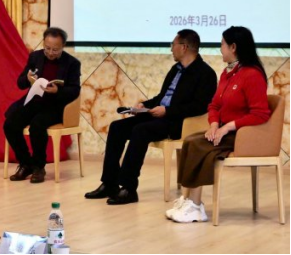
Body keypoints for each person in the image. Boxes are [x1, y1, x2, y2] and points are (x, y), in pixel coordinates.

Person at [85, 29, 218, 205]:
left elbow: (199, 106)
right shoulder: (175, 69)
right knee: (117, 127)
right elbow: (162, 97)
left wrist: (167, 111)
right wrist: (144, 106)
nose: (171, 49)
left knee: (141, 130)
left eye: (173, 45)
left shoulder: (205, 74)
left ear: (184, 47)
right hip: (159, 116)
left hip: (179, 122)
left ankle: (129, 188)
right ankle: (109, 183)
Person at [166, 26, 271, 223]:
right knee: (190, 141)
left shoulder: (252, 75)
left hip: (241, 135)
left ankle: (195, 206)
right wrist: (214, 124)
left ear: (233, 47)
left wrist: (227, 127)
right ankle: (188, 199)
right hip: (223, 129)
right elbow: (214, 105)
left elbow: (260, 114)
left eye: (222, 44)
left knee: (199, 146)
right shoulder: (227, 73)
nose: (220, 48)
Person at [4, 27, 81, 184]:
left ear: (63, 46)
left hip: (56, 107)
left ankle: (39, 167)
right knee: (10, 124)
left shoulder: (72, 63)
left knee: (37, 125)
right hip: (35, 101)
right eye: (47, 48)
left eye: (55, 49)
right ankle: (26, 164)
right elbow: (20, 83)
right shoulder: (35, 57)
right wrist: (28, 79)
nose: (50, 52)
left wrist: (57, 91)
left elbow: (74, 90)